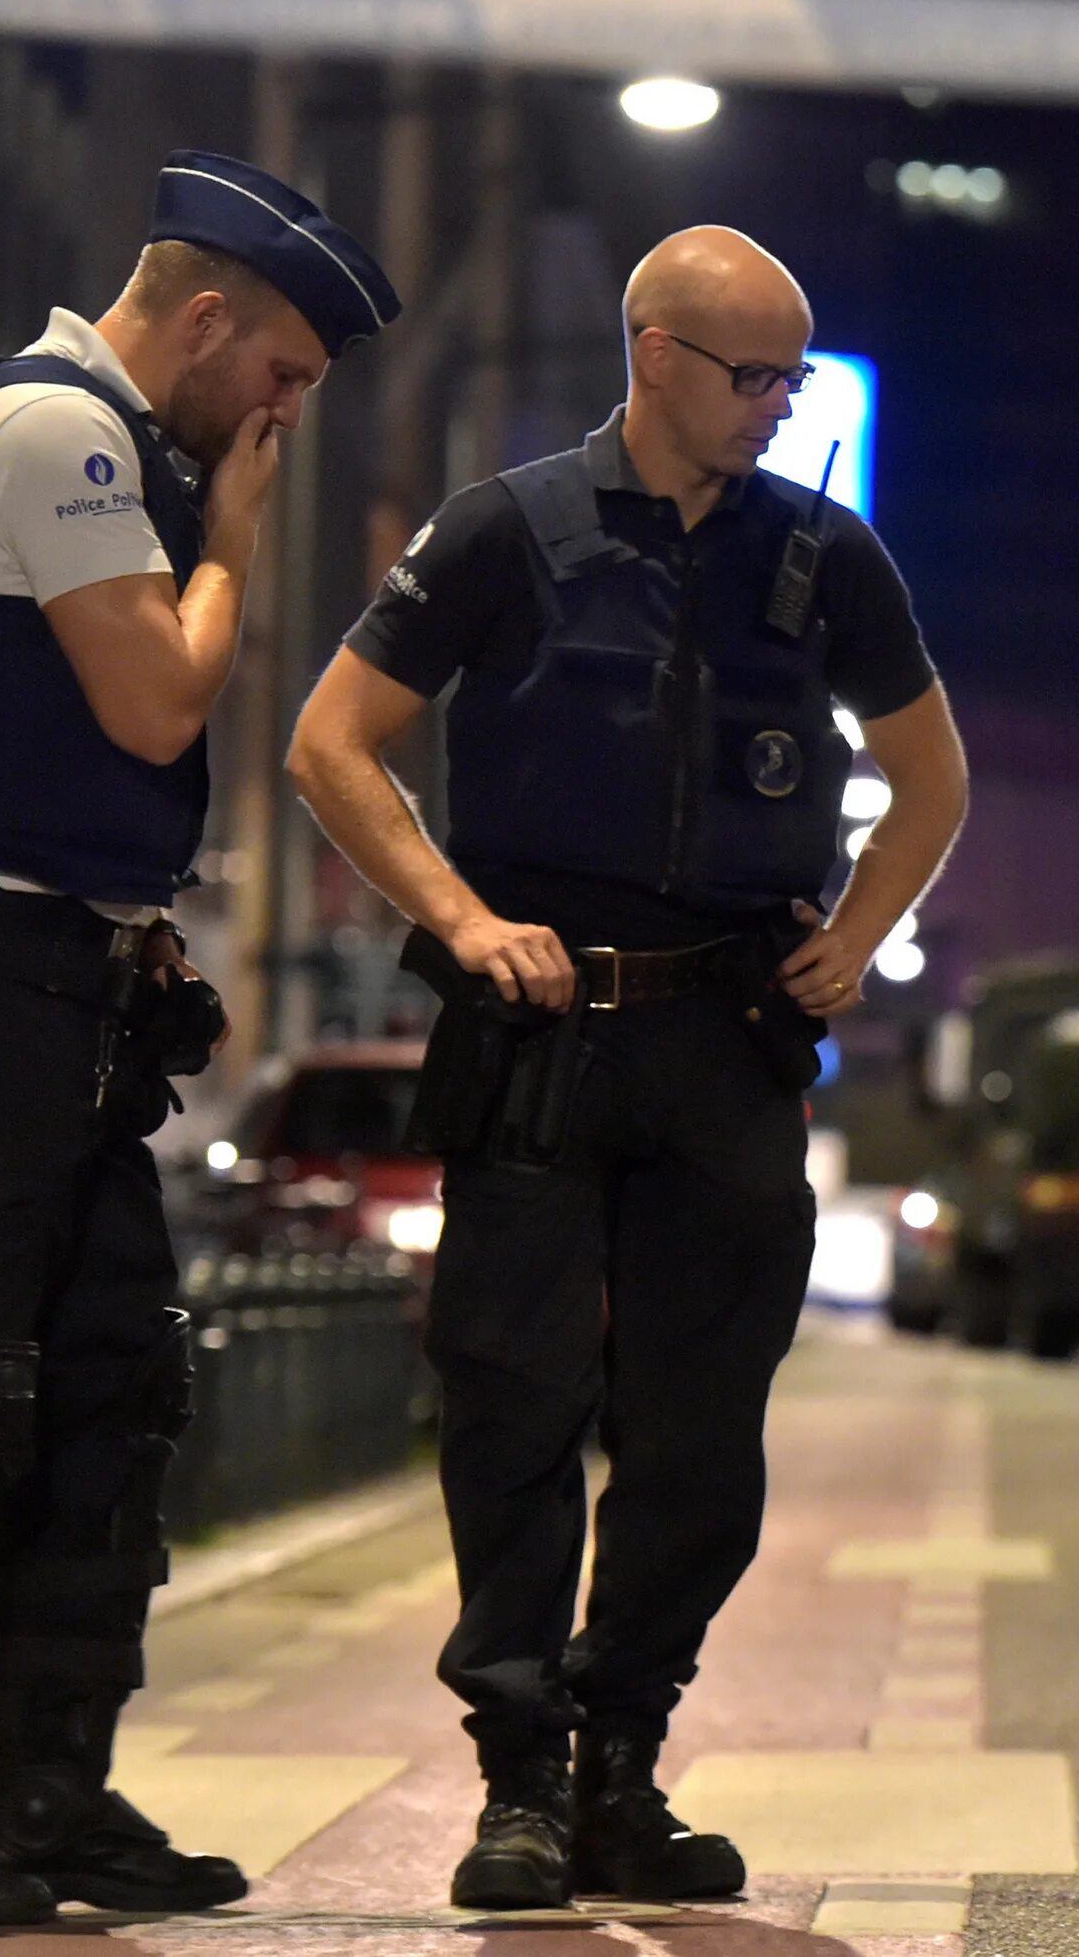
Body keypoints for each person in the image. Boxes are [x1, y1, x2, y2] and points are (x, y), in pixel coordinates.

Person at [287, 226, 970, 1911]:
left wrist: (865, 928)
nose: (780, 403)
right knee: (514, 1411)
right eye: (755, 373)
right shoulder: (505, 531)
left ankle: (621, 1759)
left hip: (725, 1035)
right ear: (655, 354)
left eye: (794, 375)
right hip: (538, 1034)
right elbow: (332, 740)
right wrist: (455, 915)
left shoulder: (826, 557)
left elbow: (931, 774)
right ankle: (518, 1781)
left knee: (698, 1437)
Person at [0, 153, 397, 1926]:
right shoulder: (54, 432)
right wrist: (233, 547)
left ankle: (47, 1795)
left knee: (113, 1392)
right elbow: (158, 693)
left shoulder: (121, 448)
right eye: (282, 371)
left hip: (65, 994)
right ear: (204, 318)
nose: (285, 411)